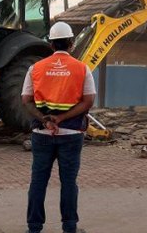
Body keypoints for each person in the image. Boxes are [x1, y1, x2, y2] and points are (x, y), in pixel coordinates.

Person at [21, 21, 95, 233]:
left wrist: (46, 120)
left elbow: (26, 100)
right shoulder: (82, 69)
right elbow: (88, 101)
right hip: (71, 134)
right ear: (71, 43)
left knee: (38, 182)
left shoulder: (35, 68)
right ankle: (69, 227)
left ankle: (34, 228)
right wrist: (61, 119)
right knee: (69, 182)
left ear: (51, 44)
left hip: (41, 134)